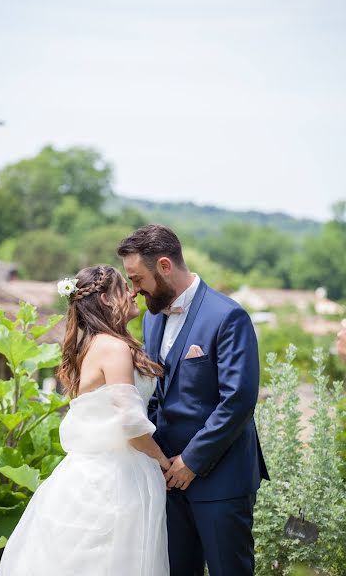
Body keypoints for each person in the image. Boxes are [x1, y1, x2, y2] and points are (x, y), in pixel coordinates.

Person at [0, 265, 170, 576]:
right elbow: (130, 422)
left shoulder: (88, 345)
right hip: (116, 478)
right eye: (123, 288)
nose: (132, 292)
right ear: (105, 299)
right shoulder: (114, 348)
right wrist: (163, 460)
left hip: (86, 473)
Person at [118, 225, 270, 576]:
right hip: (168, 480)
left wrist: (192, 461)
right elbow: (156, 393)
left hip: (221, 480)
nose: (135, 291)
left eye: (138, 278)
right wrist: (156, 458)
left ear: (166, 266)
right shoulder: (153, 319)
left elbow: (238, 400)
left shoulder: (228, 316)